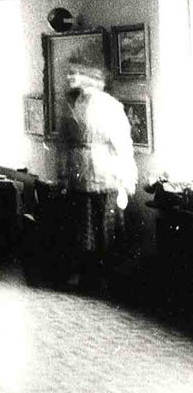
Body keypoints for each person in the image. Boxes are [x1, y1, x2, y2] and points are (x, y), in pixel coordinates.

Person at [54, 61, 136, 290]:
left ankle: (104, 276)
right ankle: (84, 273)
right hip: (78, 172)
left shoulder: (110, 106)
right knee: (81, 224)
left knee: (103, 225)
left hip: (104, 171)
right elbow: (63, 142)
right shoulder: (72, 103)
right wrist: (63, 172)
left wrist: (127, 179)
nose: (70, 77)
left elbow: (123, 145)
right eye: (69, 73)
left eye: (76, 73)